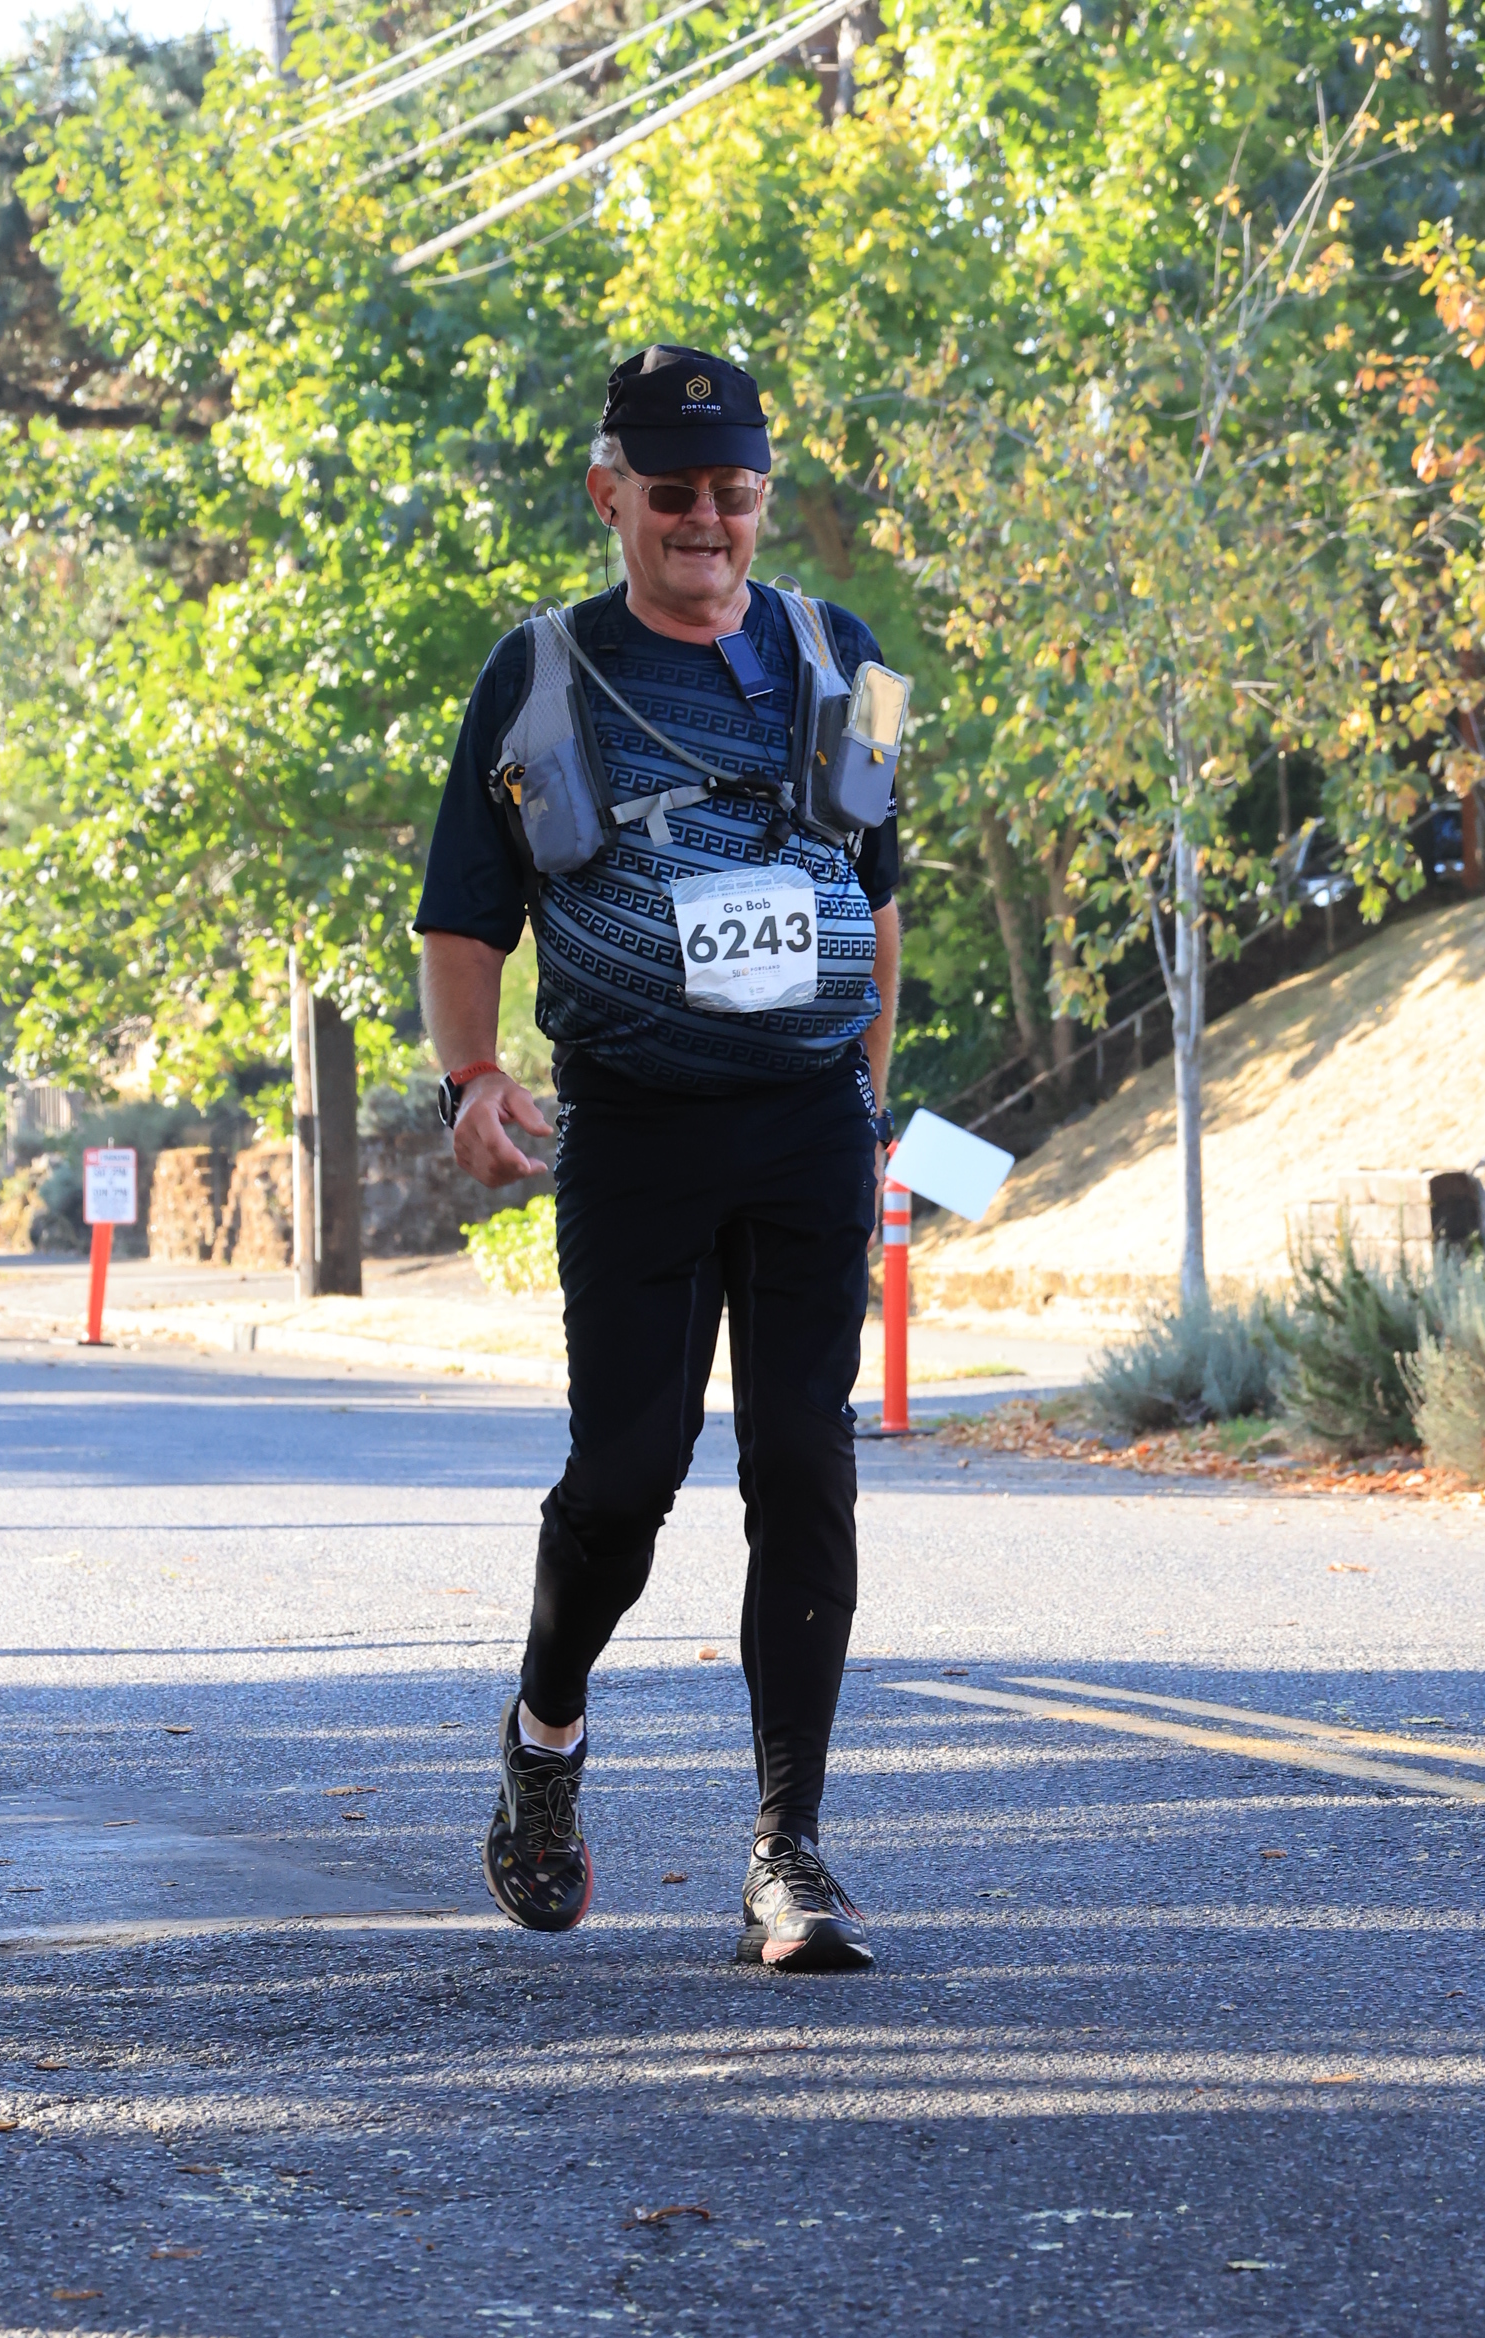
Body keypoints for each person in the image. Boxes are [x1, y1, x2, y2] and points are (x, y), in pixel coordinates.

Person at [413, 343, 905, 1971]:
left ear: (762, 496)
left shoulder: (851, 658)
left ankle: (789, 1854)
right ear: (608, 492)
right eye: (675, 491)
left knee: (803, 1462)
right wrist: (471, 1077)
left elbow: (878, 895)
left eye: (734, 491)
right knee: (627, 1475)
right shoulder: (537, 667)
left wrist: (866, 1101)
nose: (707, 519)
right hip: (632, 1127)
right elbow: (464, 910)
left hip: (804, 1126)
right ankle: (544, 1735)